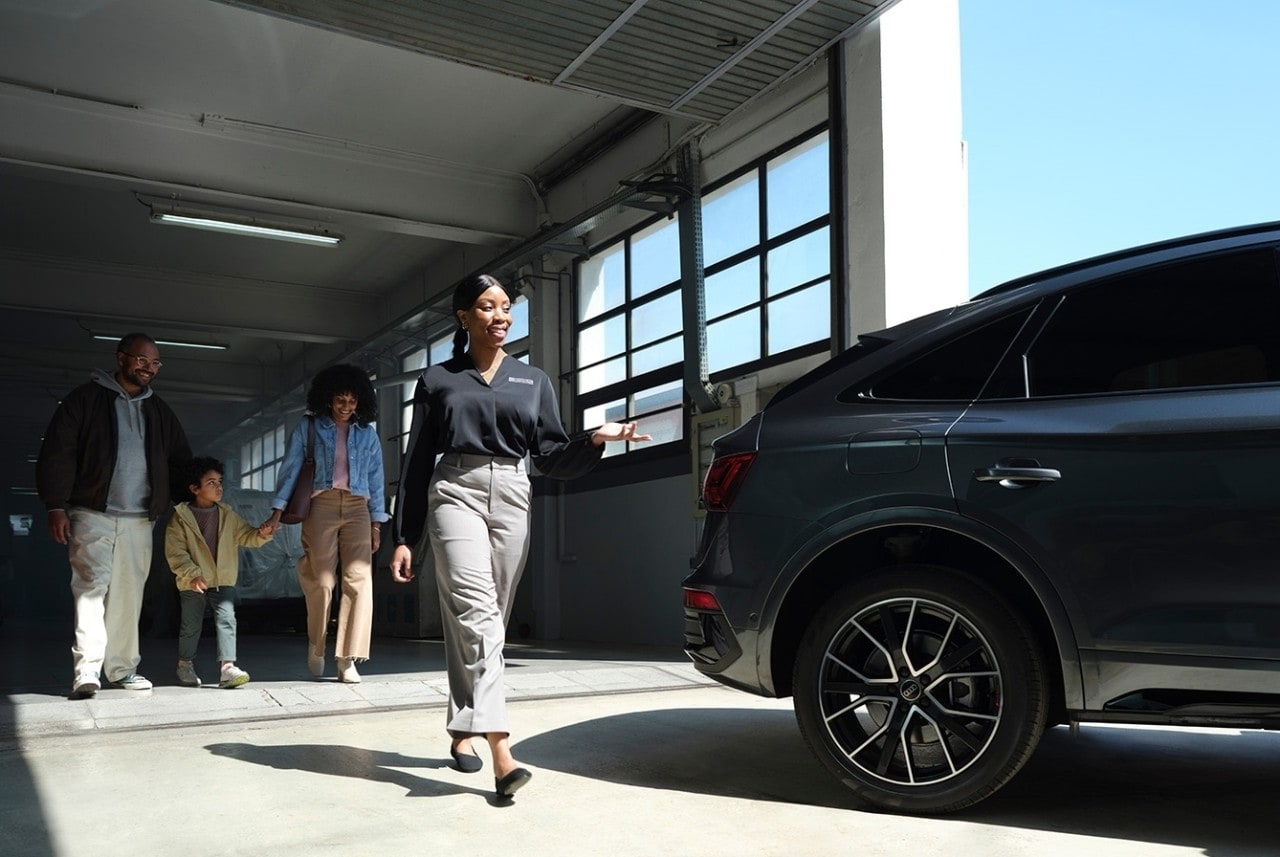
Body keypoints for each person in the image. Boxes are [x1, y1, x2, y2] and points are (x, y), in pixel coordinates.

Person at [390, 273, 649, 800]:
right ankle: (502, 751)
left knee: (487, 623)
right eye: (488, 306)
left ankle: (462, 730)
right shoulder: (439, 380)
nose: (501, 315)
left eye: (507, 306)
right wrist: (404, 535)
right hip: (454, 491)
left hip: (513, 491)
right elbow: (417, 460)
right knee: (477, 614)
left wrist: (594, 438)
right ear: (464, 316)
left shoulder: (534, 381)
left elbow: (552, 456)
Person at [36, 332, 192, 698]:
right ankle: (86, 671)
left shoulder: (159, 411)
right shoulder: (85, 400)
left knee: (128, 593)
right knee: (91, 588)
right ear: (121, 358)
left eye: (155, 363)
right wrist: (55, 505)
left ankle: (122, 669)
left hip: (141, 518)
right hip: (92, 512)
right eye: (141, 360)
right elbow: (59, 452)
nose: (148, 368)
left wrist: (186, 503)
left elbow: (181, 461)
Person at [261, 364, 389, 684]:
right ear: (327, 399)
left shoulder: (367, 434)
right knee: (321, 580)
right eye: (339, 400)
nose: (346, 407)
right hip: (321, 505)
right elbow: (290, 470)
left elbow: (376, 480)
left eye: (352, 401)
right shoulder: (309, 427)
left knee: (359, 579)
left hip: (358, 507)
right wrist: (277, 511)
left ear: (361, 402)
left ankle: (347, 658)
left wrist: (376, 524)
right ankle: (316, 643)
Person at [165, 456, 274, 689]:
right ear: (195, 489)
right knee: (191, 625)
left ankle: (227, 668)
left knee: (227, 619)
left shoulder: (227, 514)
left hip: (223, 579)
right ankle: (185, 665)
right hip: (193, 581)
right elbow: (176, 553)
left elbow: (246, 535)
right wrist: (191, 574)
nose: (219, 487)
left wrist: (262, 534)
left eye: (220, 482)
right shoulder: (180, 518)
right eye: (211, 483)